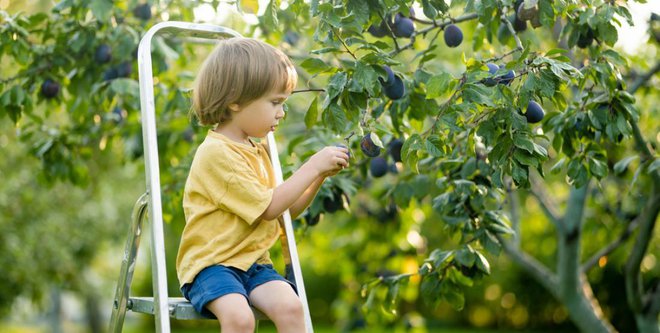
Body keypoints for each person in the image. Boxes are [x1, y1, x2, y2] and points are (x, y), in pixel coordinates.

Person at [176, 37, 350, 333]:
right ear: (235, 100)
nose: (281, 113)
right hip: (212, 265)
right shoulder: (217, 153)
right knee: (240, 318)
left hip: (253, 264)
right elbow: (269, 207)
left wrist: (319, 176)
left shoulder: (256, 151)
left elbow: (285, 210)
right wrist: (312, 165)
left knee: (292, 307)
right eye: (275, 103)